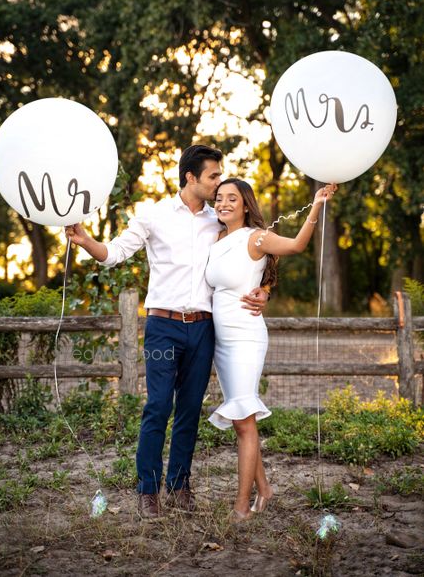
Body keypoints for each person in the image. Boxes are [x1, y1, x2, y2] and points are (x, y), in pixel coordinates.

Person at [65, 146, 270, 519]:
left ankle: (179, 486)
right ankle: (148, 491)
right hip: (163, 328)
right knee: (158, 407)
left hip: (204, 330)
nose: (219, 182)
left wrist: (266, 290)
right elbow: (113, 253)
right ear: (191, 177)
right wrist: (85, 240)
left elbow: (260, 254)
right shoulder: (153, 214)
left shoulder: (220, 222)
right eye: (213, 175)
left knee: (190, 410)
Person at [205, 177, 337, 521]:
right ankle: (264, 490)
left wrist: (317, 205)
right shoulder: (215, 237)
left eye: (232, 198)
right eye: (219, 198)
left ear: (246, 204)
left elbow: (295, 246)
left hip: (246, 336)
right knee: (241, 421)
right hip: (220, 339)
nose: (223, 203)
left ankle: (240, 507)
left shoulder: (257, 237)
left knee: (244, 420)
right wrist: (265, 286)